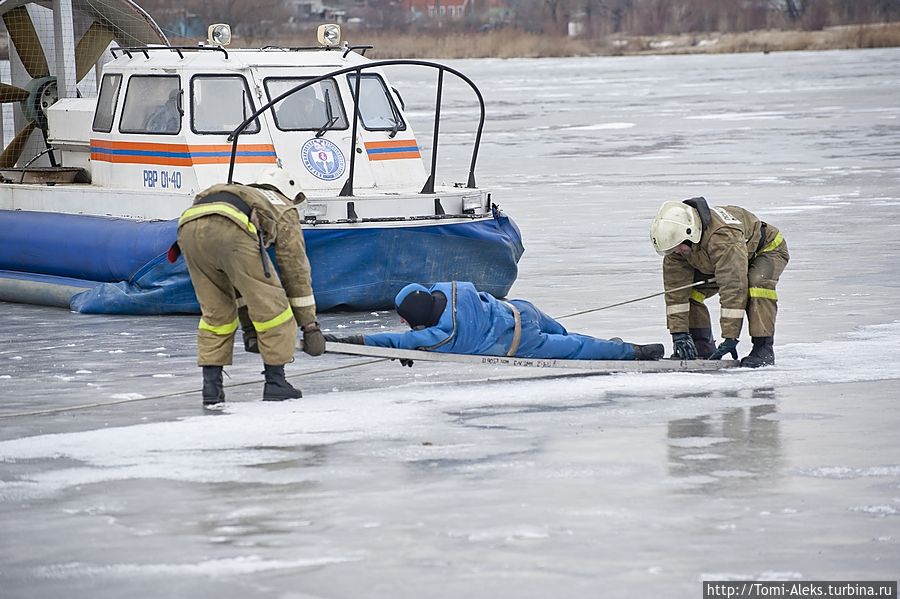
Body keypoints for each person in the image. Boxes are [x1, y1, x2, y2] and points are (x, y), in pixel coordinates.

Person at [171, 165, 326, 407]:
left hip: (188, 227)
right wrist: (309, 326)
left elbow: (241, 286)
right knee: (275, 310)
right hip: (230, 229)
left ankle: (211, 389)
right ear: (290, 192)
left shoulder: (243, 194)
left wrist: (250, 330)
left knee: (216, 313)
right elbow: (294, 270)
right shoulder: (285, 208)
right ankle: (276, 383)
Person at [326, 281, 664, 361]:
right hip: (522, 310)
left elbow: (391, 343)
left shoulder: (441, 336)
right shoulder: (454, 288)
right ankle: (620, 345)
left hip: (521, 342)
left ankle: (632, 352)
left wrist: (347, 341)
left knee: (576, 348)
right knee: (566, 332)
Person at [649, 197, 789, 368]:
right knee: (690, 292)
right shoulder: (677, 249)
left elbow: (733, 287)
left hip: (765, 250)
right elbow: (675, 293)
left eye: (679, 247)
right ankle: (702, 345)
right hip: (716, 259)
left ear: (690, 233)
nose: (677, 252)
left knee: (757, 285)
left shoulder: (722, 238)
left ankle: (763, 348)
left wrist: (730, 337)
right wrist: (679, 334)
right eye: (671, 249)